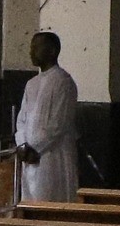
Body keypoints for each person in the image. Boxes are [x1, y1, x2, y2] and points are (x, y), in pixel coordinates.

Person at [15, 31, 79, 203]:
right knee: (30, 204)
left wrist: (35, 147)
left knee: (53, 202)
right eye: (31, 47)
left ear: (52, 51)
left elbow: (58, 123)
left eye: (37, 47)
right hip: (29, 156)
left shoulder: (63, 82)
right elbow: (21, 120)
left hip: (52, 155)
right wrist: (22, 145)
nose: (31, 52)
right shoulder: (31, 84)